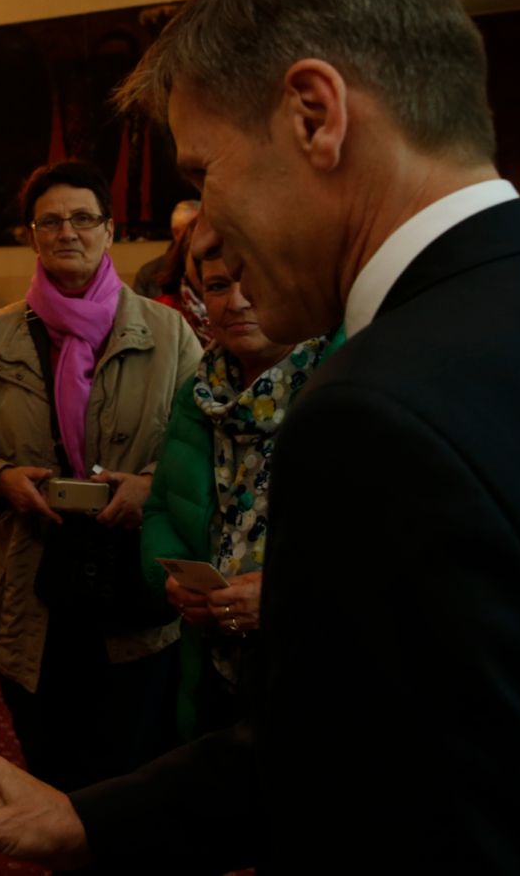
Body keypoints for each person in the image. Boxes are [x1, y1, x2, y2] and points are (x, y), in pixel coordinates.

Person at [0, 0, 520, 872]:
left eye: (205, 172)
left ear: (315, 117)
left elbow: (377, 812)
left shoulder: (376, 410)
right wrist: (90, 819)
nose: (206, 220)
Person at [0, 161, 202, 793]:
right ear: (32, 236)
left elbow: (205, 448)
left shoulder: (170, 335)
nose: (67, 233)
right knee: (52, 770)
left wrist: (148, 490)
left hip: (134, 584)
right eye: (50, 221)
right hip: (30, 590)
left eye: (83, 218)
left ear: (109, 231)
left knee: (136, 771)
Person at [139, 255, 341, 739]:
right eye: (217, 286)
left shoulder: (344, 383)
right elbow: (162, 509)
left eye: (255, 283)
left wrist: (283, 598)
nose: (237, 301)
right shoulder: (199, 392)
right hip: (214, 660)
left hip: (323, 670)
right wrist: (171, 577)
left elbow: (391, 547)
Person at [131, 198, 202, 296]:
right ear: (175, 233)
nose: (189, 237)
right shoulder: (149, 273)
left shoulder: (217, 267)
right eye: (187, 231)